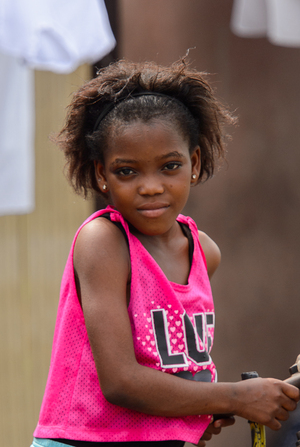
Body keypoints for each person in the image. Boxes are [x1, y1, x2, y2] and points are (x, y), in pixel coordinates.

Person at [31, 58, 299, 447]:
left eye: (169, 166)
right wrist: (236, 397)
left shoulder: (203, 253)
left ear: (193, 164)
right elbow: (121, 382)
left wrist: (204, 410)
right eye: (127, 171)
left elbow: (174, 370)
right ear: (101, 175)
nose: (151, 187)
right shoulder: (104, 242)